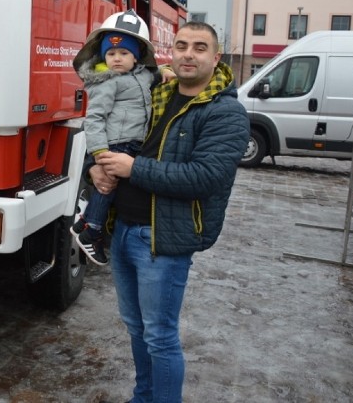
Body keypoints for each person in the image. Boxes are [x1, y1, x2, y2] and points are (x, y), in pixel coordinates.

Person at [92, 22, 249, 403]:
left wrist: (133, 169)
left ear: (216, 58)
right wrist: (95, 168)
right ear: (170, 53)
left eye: (199, 47)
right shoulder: (156, 94)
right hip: (125, 230)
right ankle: (143, 397)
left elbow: (205, 177)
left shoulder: (225, 112)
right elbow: (117, 139)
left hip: (162, 239)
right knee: (136, 328)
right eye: (181, 46)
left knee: (160, 336)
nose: (188, 54)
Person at [70, 10, 160, 266]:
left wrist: (166, 73)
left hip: (132, 143)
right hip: (115, 144)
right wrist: (99, 153)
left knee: (111, 188)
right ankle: (93, 229)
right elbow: (94, 119)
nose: (117, 59)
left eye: (123, 54)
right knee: (105, 187)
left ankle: (84, 223)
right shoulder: (107, 82)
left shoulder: (142, 75)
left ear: (136, 56)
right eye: (111, 54)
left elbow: (154, 76)